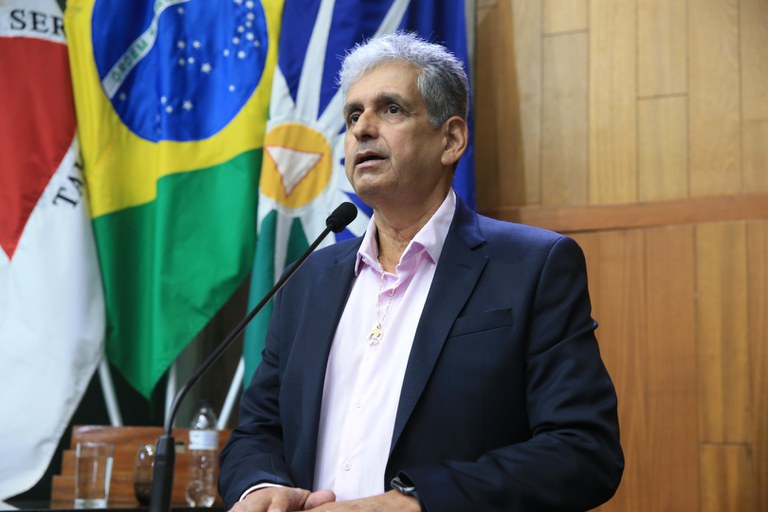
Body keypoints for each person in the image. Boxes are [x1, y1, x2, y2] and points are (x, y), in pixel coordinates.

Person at [219, 32, 623, 512]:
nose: (363, 129)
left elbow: (583, 450)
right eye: (353, 115)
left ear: (451, 140)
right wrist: (261, 487)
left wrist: (415, 503)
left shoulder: (532, 266)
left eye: (391, 109)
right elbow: (258, 431)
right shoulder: (308, 279)